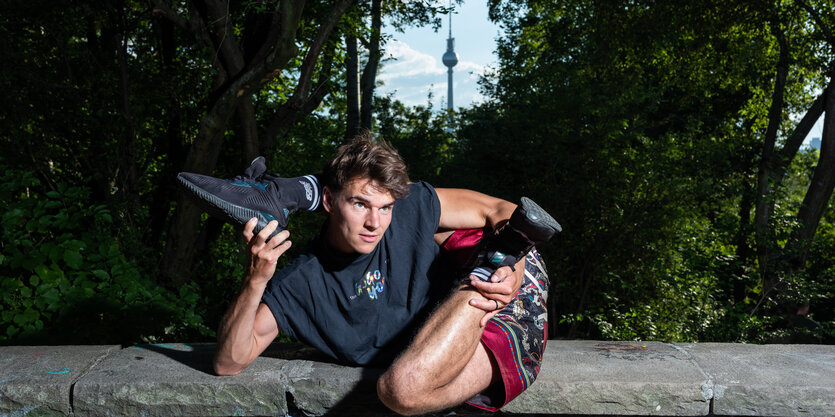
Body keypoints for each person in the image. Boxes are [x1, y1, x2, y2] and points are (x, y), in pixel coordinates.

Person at [177, 135, 559, 414]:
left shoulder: (406, 211)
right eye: (360, 204)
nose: (375, 223)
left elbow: (505, 209)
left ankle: (286, 193)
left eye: (385, 207)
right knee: (409, 384)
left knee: (403, 389)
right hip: (448, 326)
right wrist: (256, 278)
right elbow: (228, 362)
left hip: (505, 296)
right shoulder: (303, 281)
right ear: (329, 201)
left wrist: (513, 264)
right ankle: (286, 192)